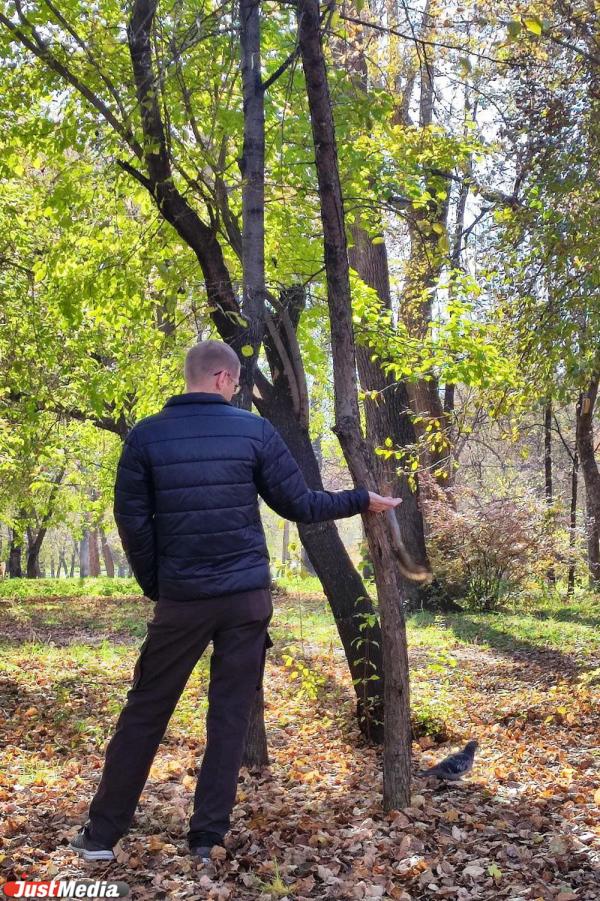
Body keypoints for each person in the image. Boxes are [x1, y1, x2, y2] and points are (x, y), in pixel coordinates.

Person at [68, 340, 401, 863]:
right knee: (228, 717)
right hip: (245, 600)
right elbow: (298, 504)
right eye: (237, 381)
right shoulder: (253, 431)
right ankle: (206, 839)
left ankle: (100, 837)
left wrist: (159, 585)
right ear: (223, 378)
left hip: (182, 599)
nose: (236, 389)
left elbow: (131, 523)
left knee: (145, 711)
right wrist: (361, 499)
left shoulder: (145, 436)